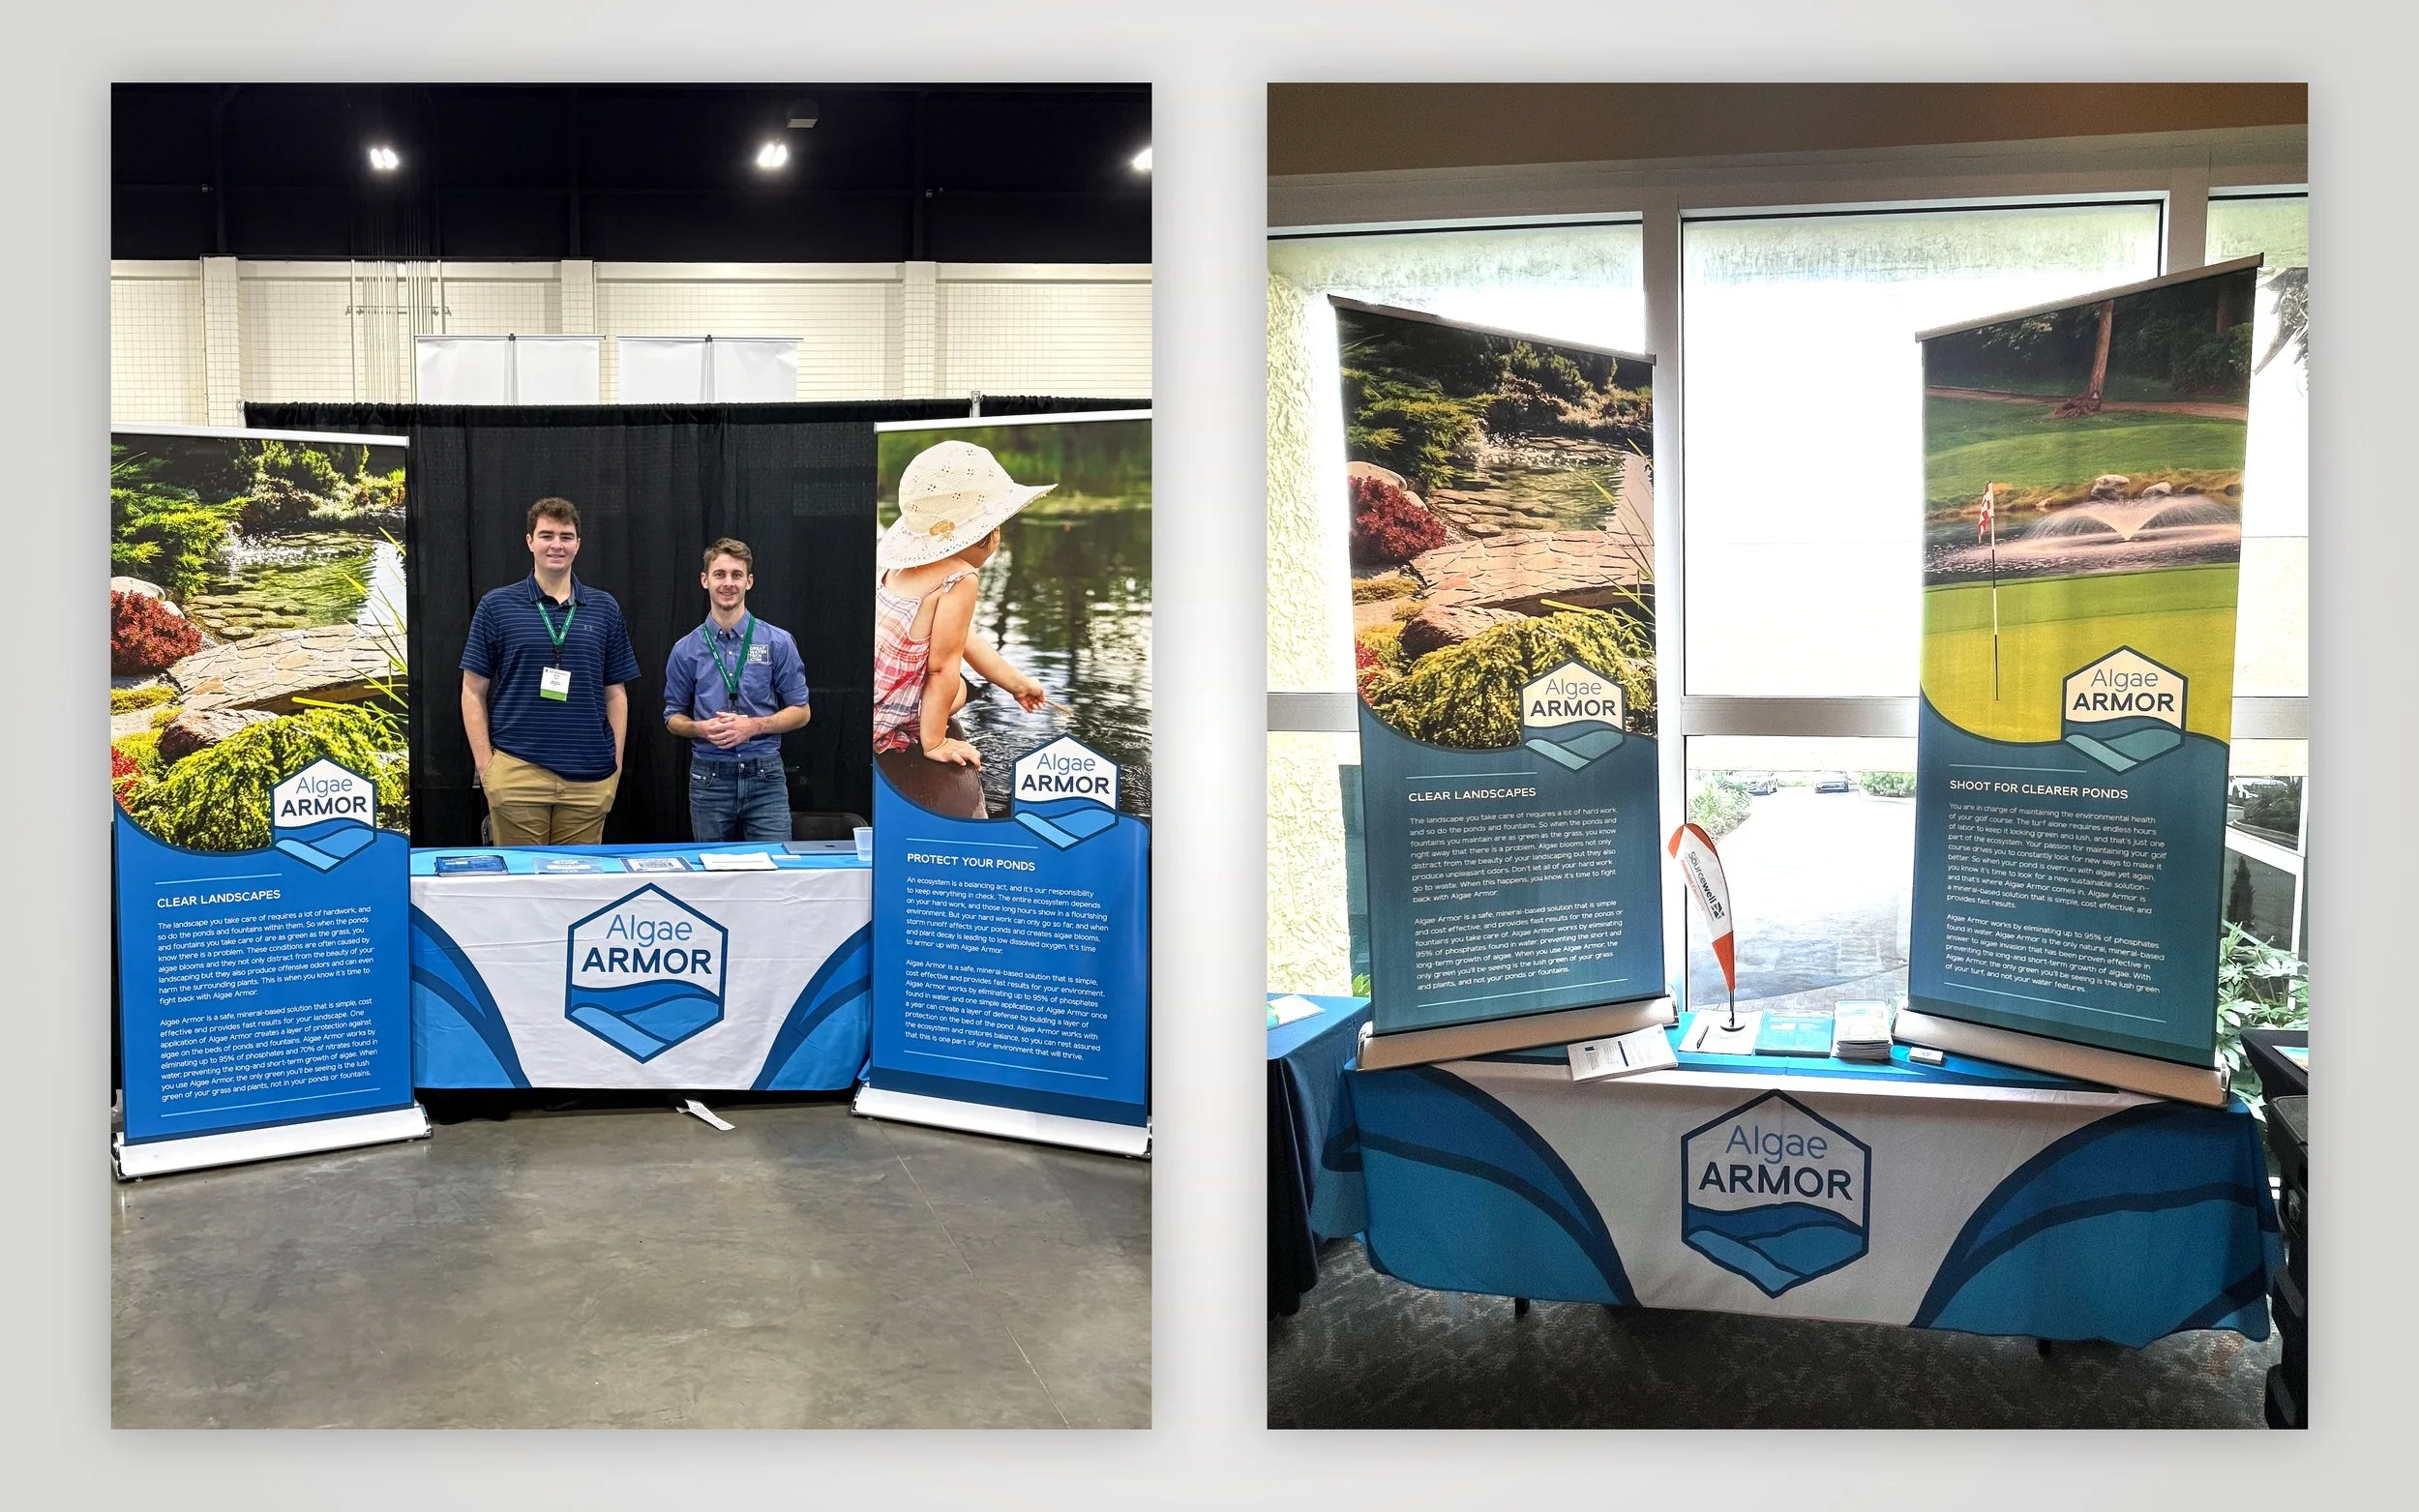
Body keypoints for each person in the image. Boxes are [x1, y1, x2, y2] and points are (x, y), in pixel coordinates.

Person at [873, 441, 1053, 817]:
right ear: (986, 532)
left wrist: (1019, 684)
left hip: (870, 697)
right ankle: (928, 730)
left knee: (959, 687)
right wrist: (935, 742)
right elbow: (940, 669)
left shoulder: (900, 567)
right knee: (957, 689)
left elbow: (964, 640)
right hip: (883, 716)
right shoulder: (960, 577)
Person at [460, 497, 642, 845]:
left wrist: (615, 766)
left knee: (578, 893)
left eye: (565, 536)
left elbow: (616, 693)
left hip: (590, 779)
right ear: (530, 542)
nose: (556, 545)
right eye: (546, 535)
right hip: (517, 773)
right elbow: (472, 690)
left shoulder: (604, 608)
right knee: (522, 891)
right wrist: (488, 769)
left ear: (578, 544)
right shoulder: (497, 606)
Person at [663, 538, 813, 842]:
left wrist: (755, 726)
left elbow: (802, 712)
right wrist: (700, 729)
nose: (728, 583)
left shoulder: (778, 642)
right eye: (719, 574)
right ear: (705, 580)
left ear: (749, 581)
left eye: (736, 575)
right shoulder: (685, 649)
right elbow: (671, 718)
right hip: (709, 777)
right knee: (712, 880)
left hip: (765, 776)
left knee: (774, 875)